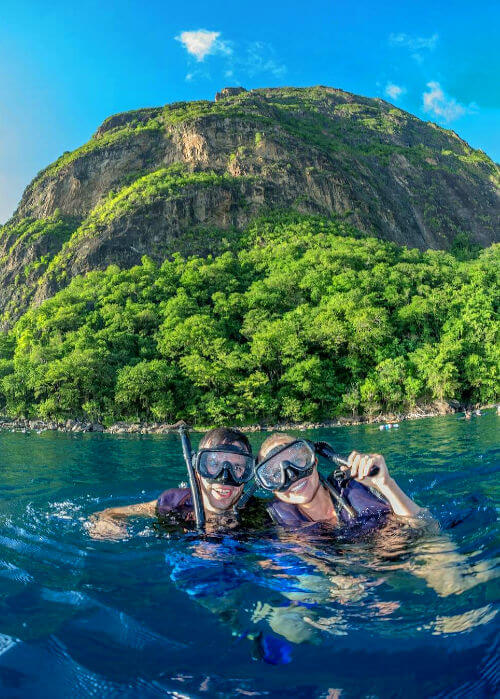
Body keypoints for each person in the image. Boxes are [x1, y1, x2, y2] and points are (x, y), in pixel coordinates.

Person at [87, 427, 266, 539]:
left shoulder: (262, 513)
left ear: (249, 473)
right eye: (213, 464)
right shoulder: (175, 503)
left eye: (238, 467)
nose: (225, 477)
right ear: (196, 469)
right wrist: (107, 520)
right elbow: (111, 512)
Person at [255, 433, 423, 529]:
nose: (291, 476)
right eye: (275, 473)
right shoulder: (279, 525)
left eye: (298, 461)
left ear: (314, 460)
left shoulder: (358, 484)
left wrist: (386, 484)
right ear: (268, 486)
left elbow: (426, 526)